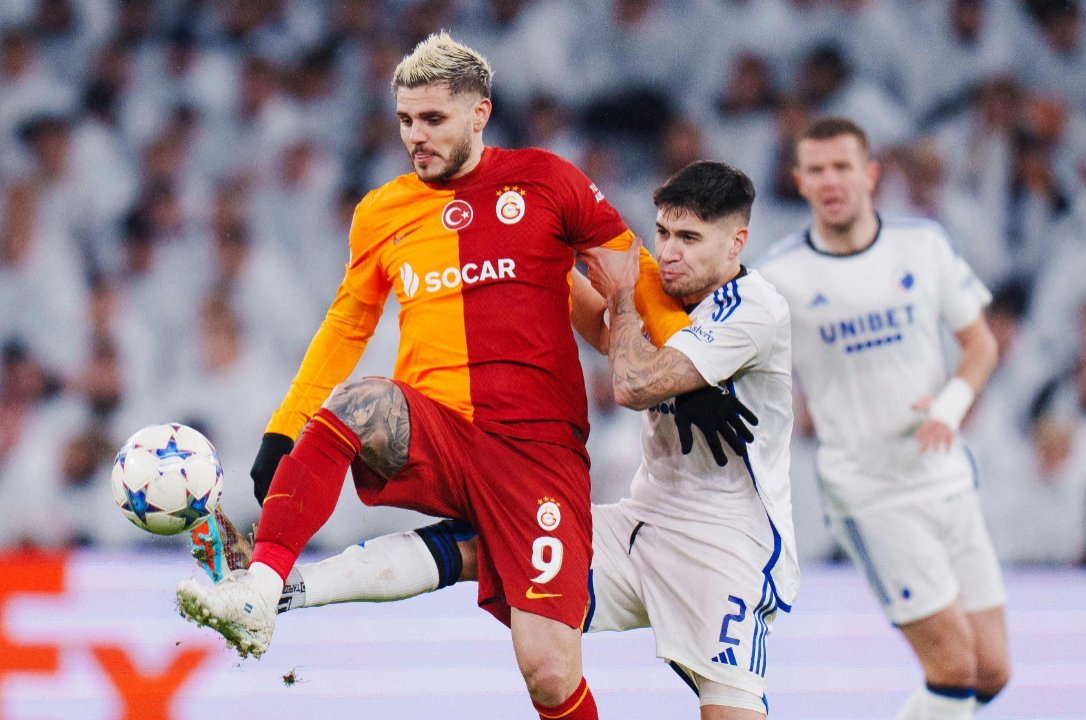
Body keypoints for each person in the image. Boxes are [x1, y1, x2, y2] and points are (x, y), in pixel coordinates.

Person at [175, 32, 696, 720]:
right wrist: (283, 429)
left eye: (432, 120)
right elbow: (346, 327)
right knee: (360, 402)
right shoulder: (383, 212)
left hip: (538, 456)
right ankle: (260, 589)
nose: (414, 137)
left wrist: (697, 360)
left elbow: (637, 279)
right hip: (438, 431)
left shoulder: (547, 182)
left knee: (548, 671)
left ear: (479, 113)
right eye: (404, 120)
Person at [193, 161, 797, 719]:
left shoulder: (754, 308)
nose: (667, 253)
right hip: (642, 524)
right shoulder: (660, 297)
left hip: (726, 546)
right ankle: (278, 592)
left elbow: (632, 380)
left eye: (689, 240)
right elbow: (595, 323)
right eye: (662, 233)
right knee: (493, 549)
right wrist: (533, 262)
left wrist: (621, 297)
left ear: (736, 243)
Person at [758, 117, 1009, 720]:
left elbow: (981, 346)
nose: (830, 180)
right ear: (799, 182)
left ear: (870, 174)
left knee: (992, 673)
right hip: (871, 492)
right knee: (953, 670)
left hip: (945, 475)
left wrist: (949, 406)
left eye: (842, 166)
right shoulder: (778, 277)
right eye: (816, 170)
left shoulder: (922, 246)